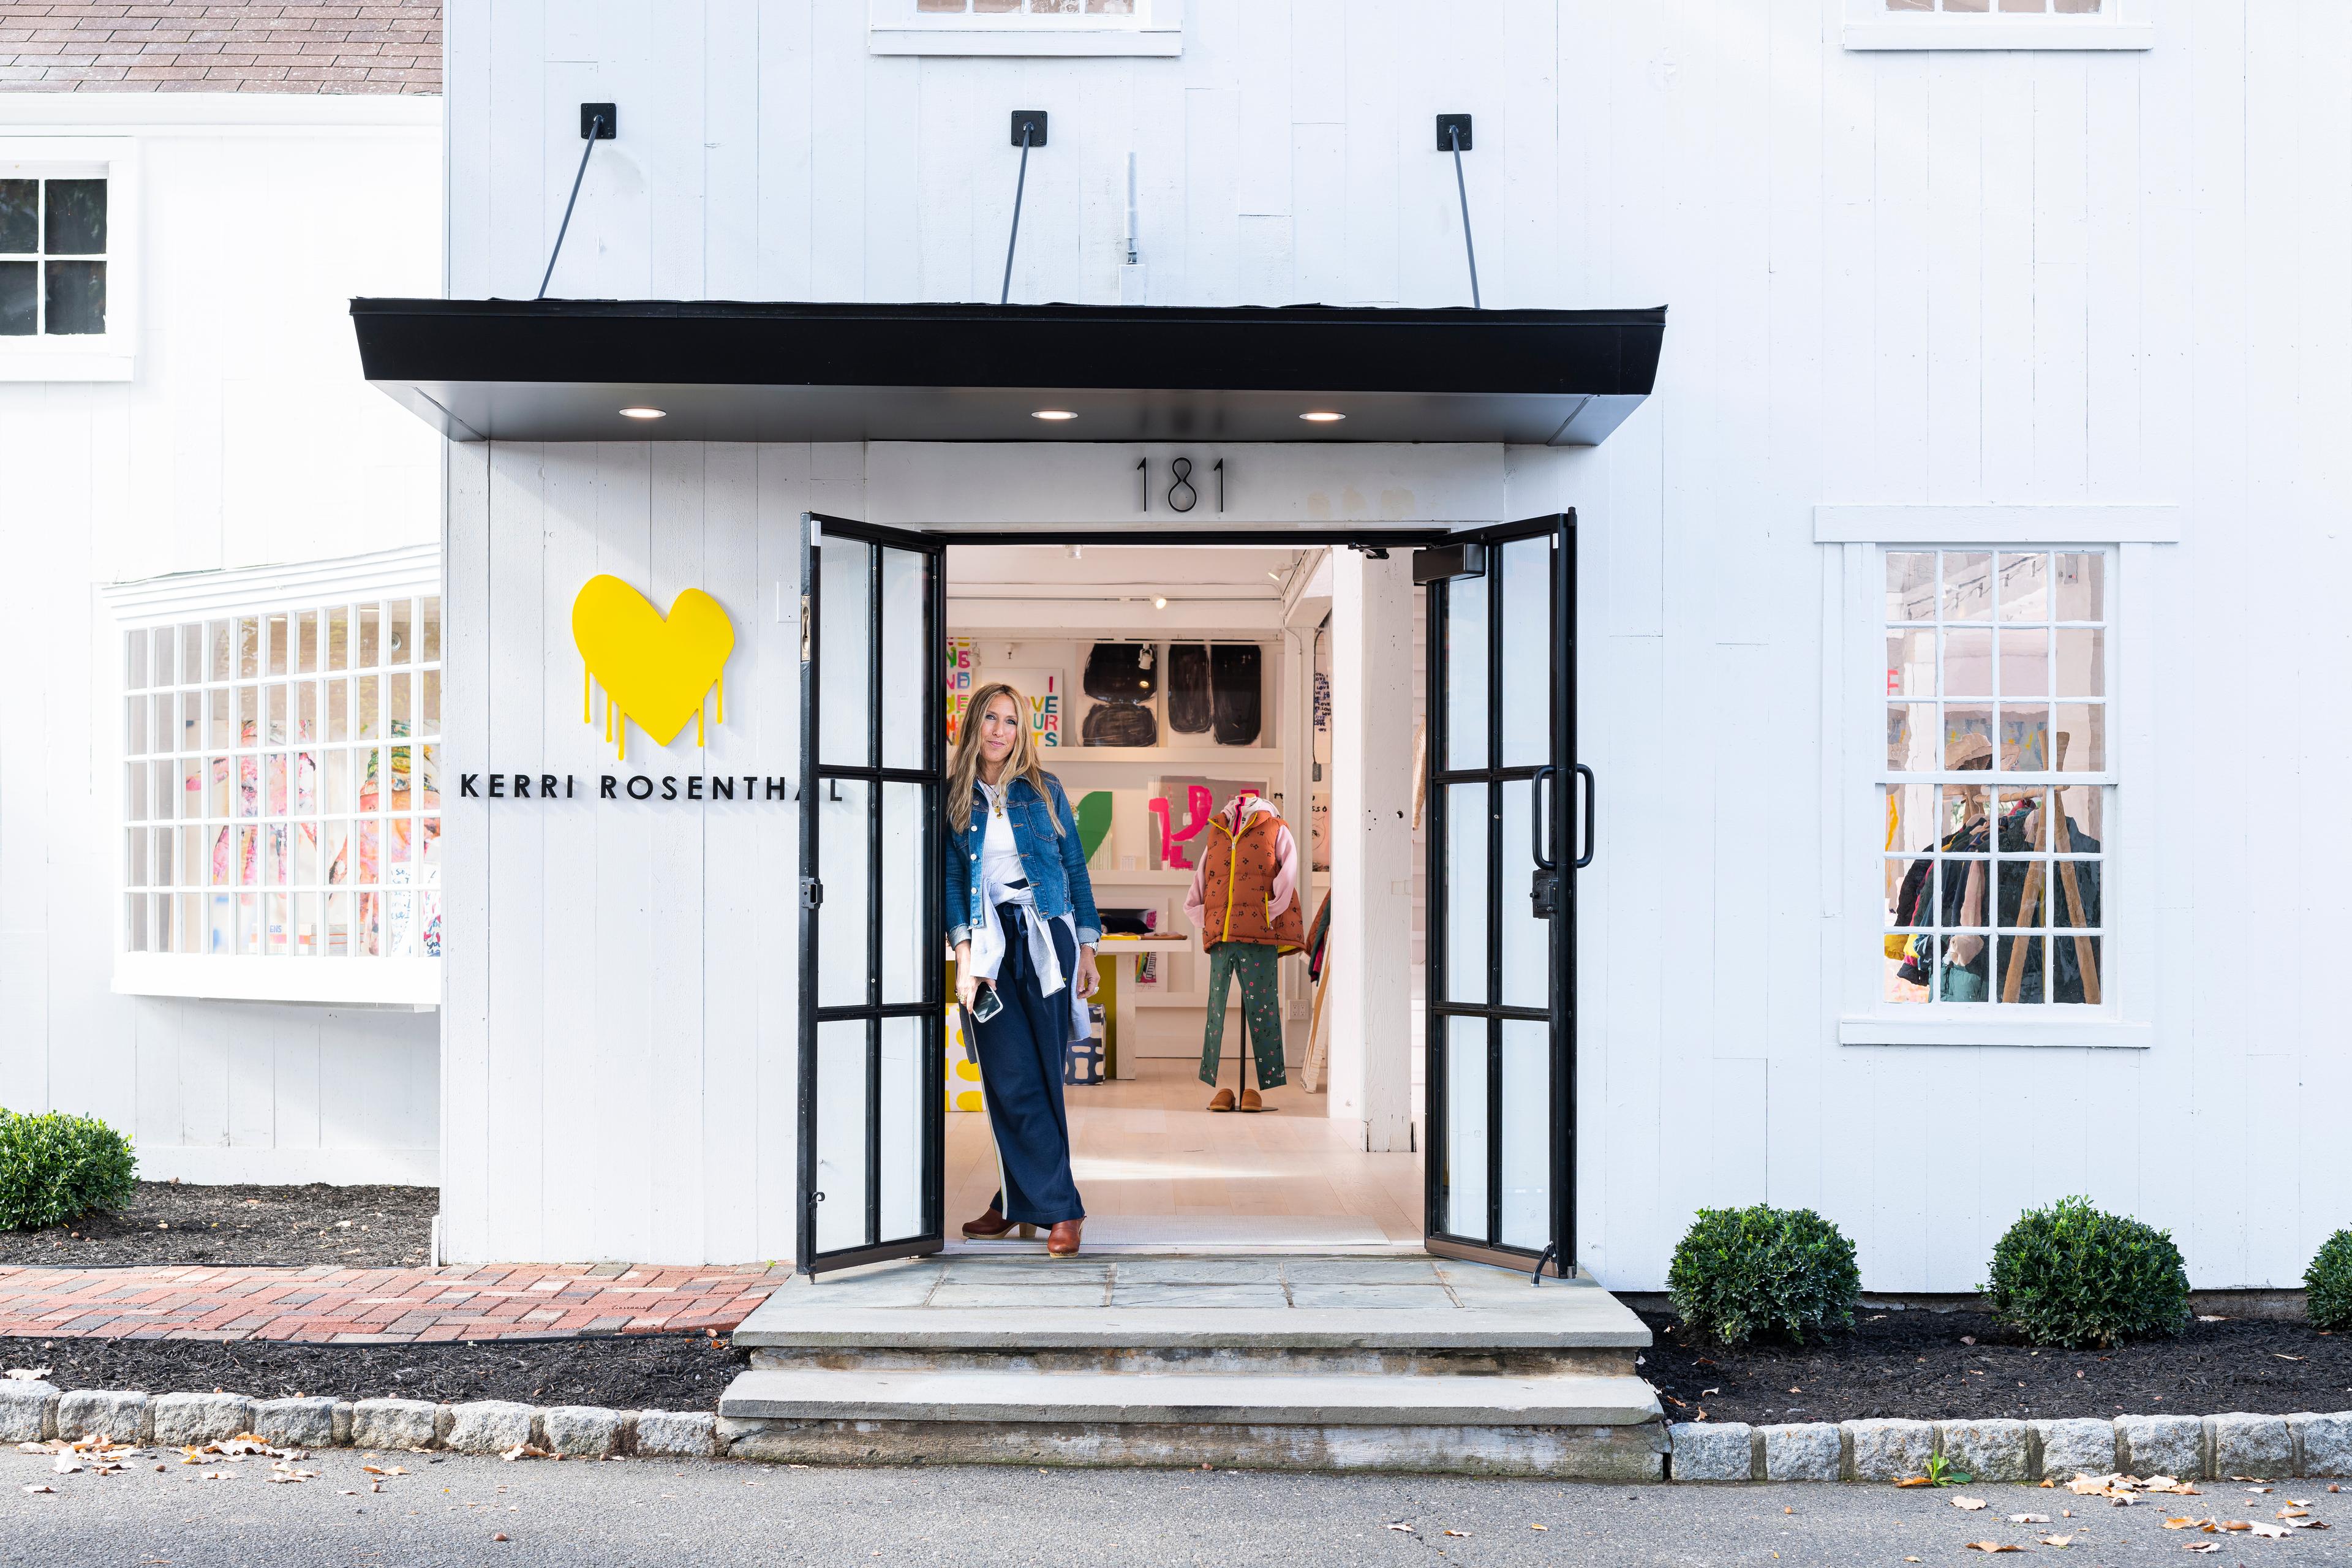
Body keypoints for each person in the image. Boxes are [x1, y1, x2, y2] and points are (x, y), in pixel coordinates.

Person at [945, 683, 1101, 1257]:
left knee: (1042, 1077)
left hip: (1047, 939)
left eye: (1011, 721)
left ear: (1022, 732)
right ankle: (1059, 1208)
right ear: (973, 724)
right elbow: (953, 880)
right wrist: (963, 955)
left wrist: (1087, 946)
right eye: (990, 717)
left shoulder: (1046, 789)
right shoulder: (955, 794)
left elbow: (1073, 866)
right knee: (1009, 1078)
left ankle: (1021, 1200)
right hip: (988, 946)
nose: (999, 731)